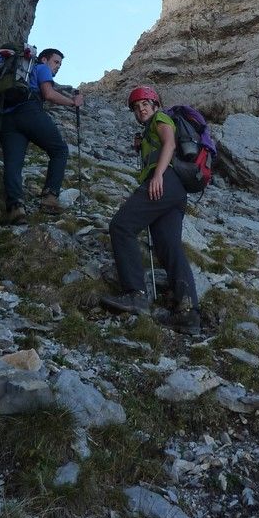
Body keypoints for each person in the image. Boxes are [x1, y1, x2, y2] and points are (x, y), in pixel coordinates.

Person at [100, 85, 201, 336]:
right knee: (169, 247)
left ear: (155, 105)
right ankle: (188, 314)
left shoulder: (161, 117)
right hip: (176, 191)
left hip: (165, 182)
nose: (140, 109)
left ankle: (135, 294)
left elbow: (169, 143)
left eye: (145, 104)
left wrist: (157, 175)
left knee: (121, 226)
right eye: (136, 107)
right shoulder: (148, 131)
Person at [0, 46, 84, 226]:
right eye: (56, 62)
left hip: (6, 120)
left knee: (13, 163)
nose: (57, 67)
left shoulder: (15, 73)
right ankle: (49, 198)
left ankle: (16, 208)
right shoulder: (40, 68)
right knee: (59, 150)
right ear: (44, 59)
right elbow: (48, 94)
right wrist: (73, 102)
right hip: (29, 112)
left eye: (60, 65)